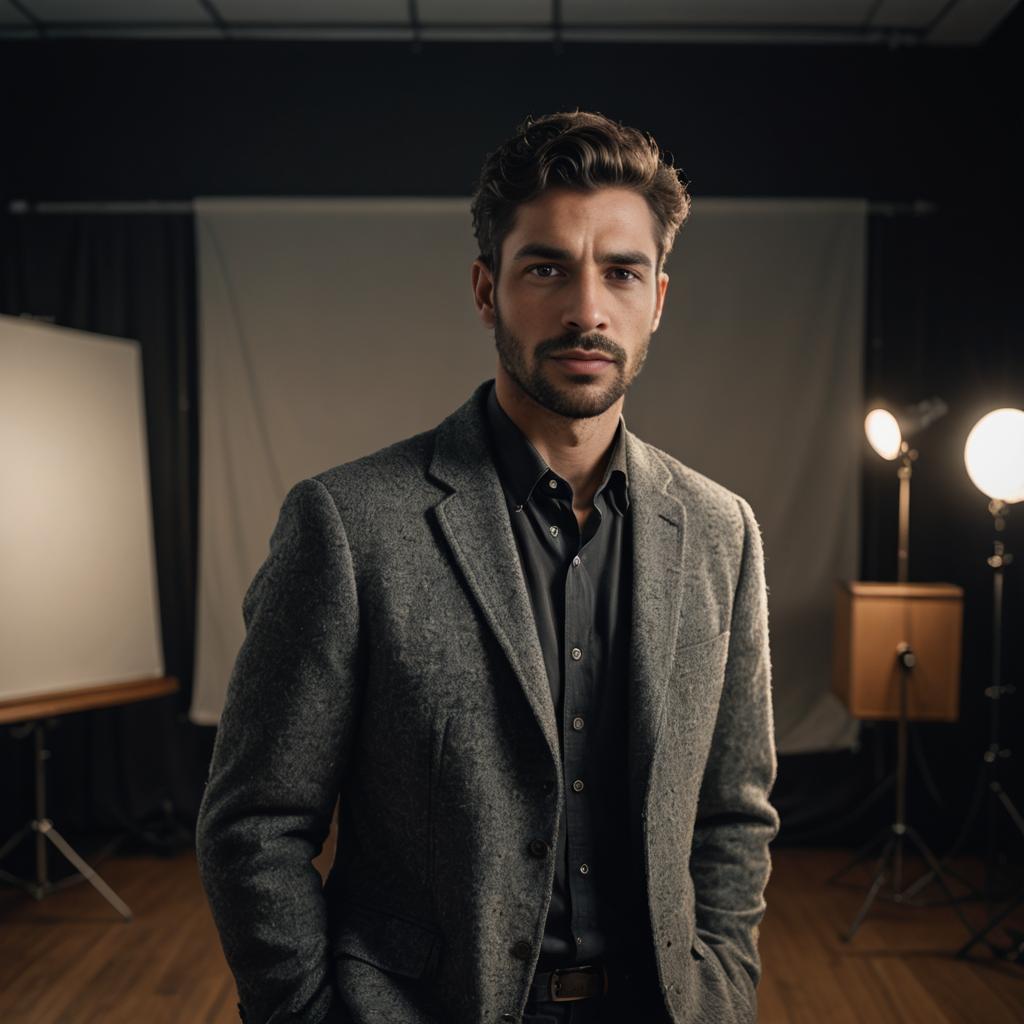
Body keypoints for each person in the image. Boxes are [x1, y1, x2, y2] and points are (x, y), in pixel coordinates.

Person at [196, 109, 780, 1024]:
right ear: (486, 289)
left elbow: (732, 814)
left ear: (657, 298)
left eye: (622, 272)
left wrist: (723, 985)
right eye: (546, 267)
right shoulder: (349, 525)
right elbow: (254, 825)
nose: (588, 309)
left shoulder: (721, 533)